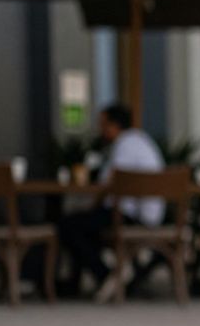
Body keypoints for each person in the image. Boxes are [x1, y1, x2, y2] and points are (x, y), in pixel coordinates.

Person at [57, 103, 164, 301]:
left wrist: (93, 204)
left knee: (68, 225)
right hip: (148, 215)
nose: (100, 130)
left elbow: (112, 184)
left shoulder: (125, 145)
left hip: (130, 216)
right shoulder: (142, 141)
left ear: (114, 125)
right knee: (81, 224)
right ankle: (109, 276)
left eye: (103, 124)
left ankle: (106, 275)